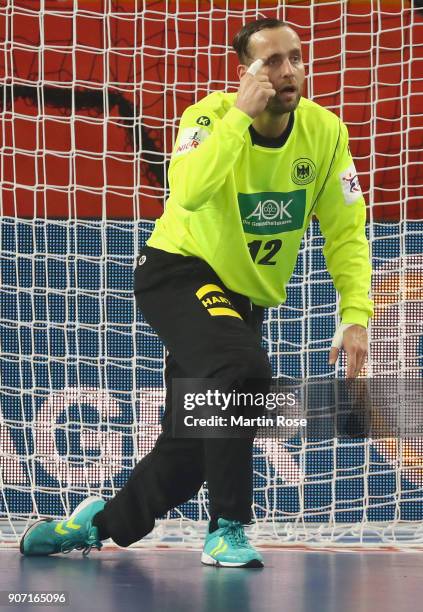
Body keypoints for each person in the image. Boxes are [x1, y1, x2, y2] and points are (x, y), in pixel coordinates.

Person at [20, 18, 373, 567]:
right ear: (246, 73)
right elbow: (186, 191)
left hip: (243, 298)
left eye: (295, 58)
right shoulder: (209, 117)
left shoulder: (325, 133)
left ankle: (97, 523)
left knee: (190, 450)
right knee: (241, 365)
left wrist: (354, 314)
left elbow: (346, 232)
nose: (288, 71)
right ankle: (228, 526)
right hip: (177, 272)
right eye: (272, 61)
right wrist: (239, 115)